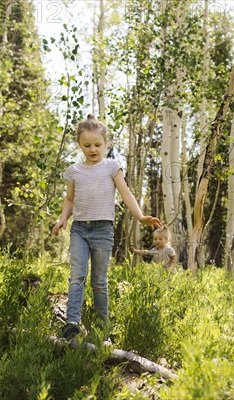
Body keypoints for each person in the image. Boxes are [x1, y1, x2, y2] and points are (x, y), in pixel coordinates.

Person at [52, 114, 161, 341]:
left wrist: (140, 217)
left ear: (106, 143)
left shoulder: (112, 167)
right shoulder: (74, 171)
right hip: (80, 229)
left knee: (99, 281)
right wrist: (62, 218)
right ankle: (72, 323)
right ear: (79, 145)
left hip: (103, 230)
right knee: (77, 276)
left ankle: (102, 329)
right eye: (87, 145)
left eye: (97, 145)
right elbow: (70, 200)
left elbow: (126, 194)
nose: (93, 149)